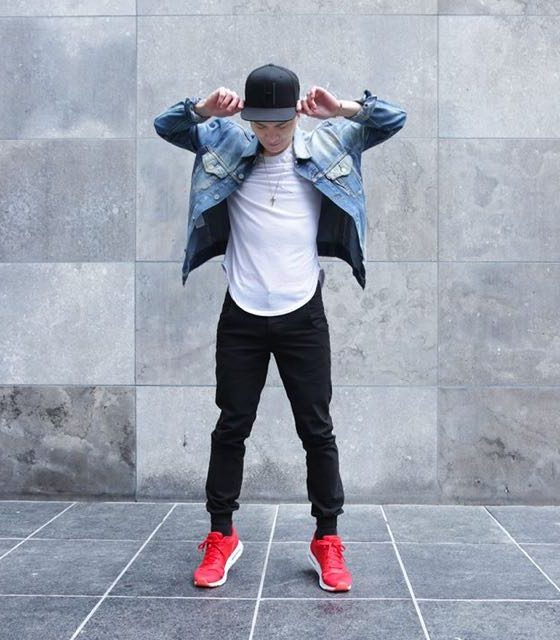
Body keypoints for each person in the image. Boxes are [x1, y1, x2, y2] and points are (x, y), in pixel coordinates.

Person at [153, 63, 407, 592]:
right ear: (248, 118)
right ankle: (221, 535)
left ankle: (327, 539)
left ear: (297, 115)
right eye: (261, 125)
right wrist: (202, 109)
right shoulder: (224, 141)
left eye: (281, 125)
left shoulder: (330, 143)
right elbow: (166, 126)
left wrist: (341, 108)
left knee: (317, 430)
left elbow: (392, 119)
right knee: (231, 426)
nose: (271, 136)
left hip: (302, 313)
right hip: (242, 314)